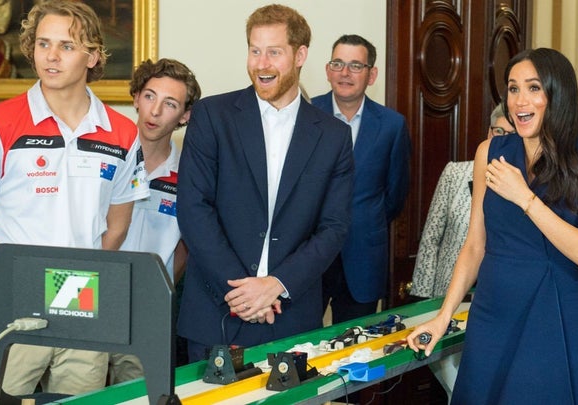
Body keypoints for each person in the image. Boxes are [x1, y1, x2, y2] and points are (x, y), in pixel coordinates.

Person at [0, 0, 148, 396]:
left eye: (66, 46)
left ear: (93, 55)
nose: (51, 57)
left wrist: (83, 282)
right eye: (43, 44)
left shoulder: (123, 132)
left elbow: (117, 226)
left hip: (83, 304)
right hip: (12, 303)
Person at [407, 48, 578, 404]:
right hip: (491, 313)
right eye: (513, 88)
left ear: (558, 92)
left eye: (534, 88)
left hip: (553, 313)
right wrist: (443, 316)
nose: (520, 100)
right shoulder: (489, 151)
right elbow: (474, 245)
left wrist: (526, 198)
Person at [176, 4, 354, 362]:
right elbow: (194, 209)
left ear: (300, 54)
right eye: (255, 51)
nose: (261, 63)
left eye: (274, 52)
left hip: (290, 316)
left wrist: (276, 285)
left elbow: (333, 227)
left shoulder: (334, 136)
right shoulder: (212, 116)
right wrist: (242, 293)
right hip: (215, 313)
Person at [108, 58, 201, 384]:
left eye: (170, 103)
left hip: (146, 311)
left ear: (185, 116)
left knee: (137, 394)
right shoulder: (102, 158)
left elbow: (186, 247)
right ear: (136, 97)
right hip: (91, 297)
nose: (155, 111)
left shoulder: (189, 175)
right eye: (149, 96)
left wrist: (156, 289)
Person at [311, 34, 411, 324]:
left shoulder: (392, 125)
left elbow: (395, 195)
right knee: (295, 349)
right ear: (328, 70)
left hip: (364, 258)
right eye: (338, 63)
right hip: (308, 257)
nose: (345, 73)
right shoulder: (306, 115)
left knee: (355, 349)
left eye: (356, 65)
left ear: (371, 74)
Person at [411, 105, 513, 299]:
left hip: (496, 292)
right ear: (489, 132)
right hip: (450, 290)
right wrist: (422, 297)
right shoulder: (455, 173)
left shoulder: (525, 185)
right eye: (498, 131)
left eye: (511, 134)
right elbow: (431, 238)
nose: (502, 139)